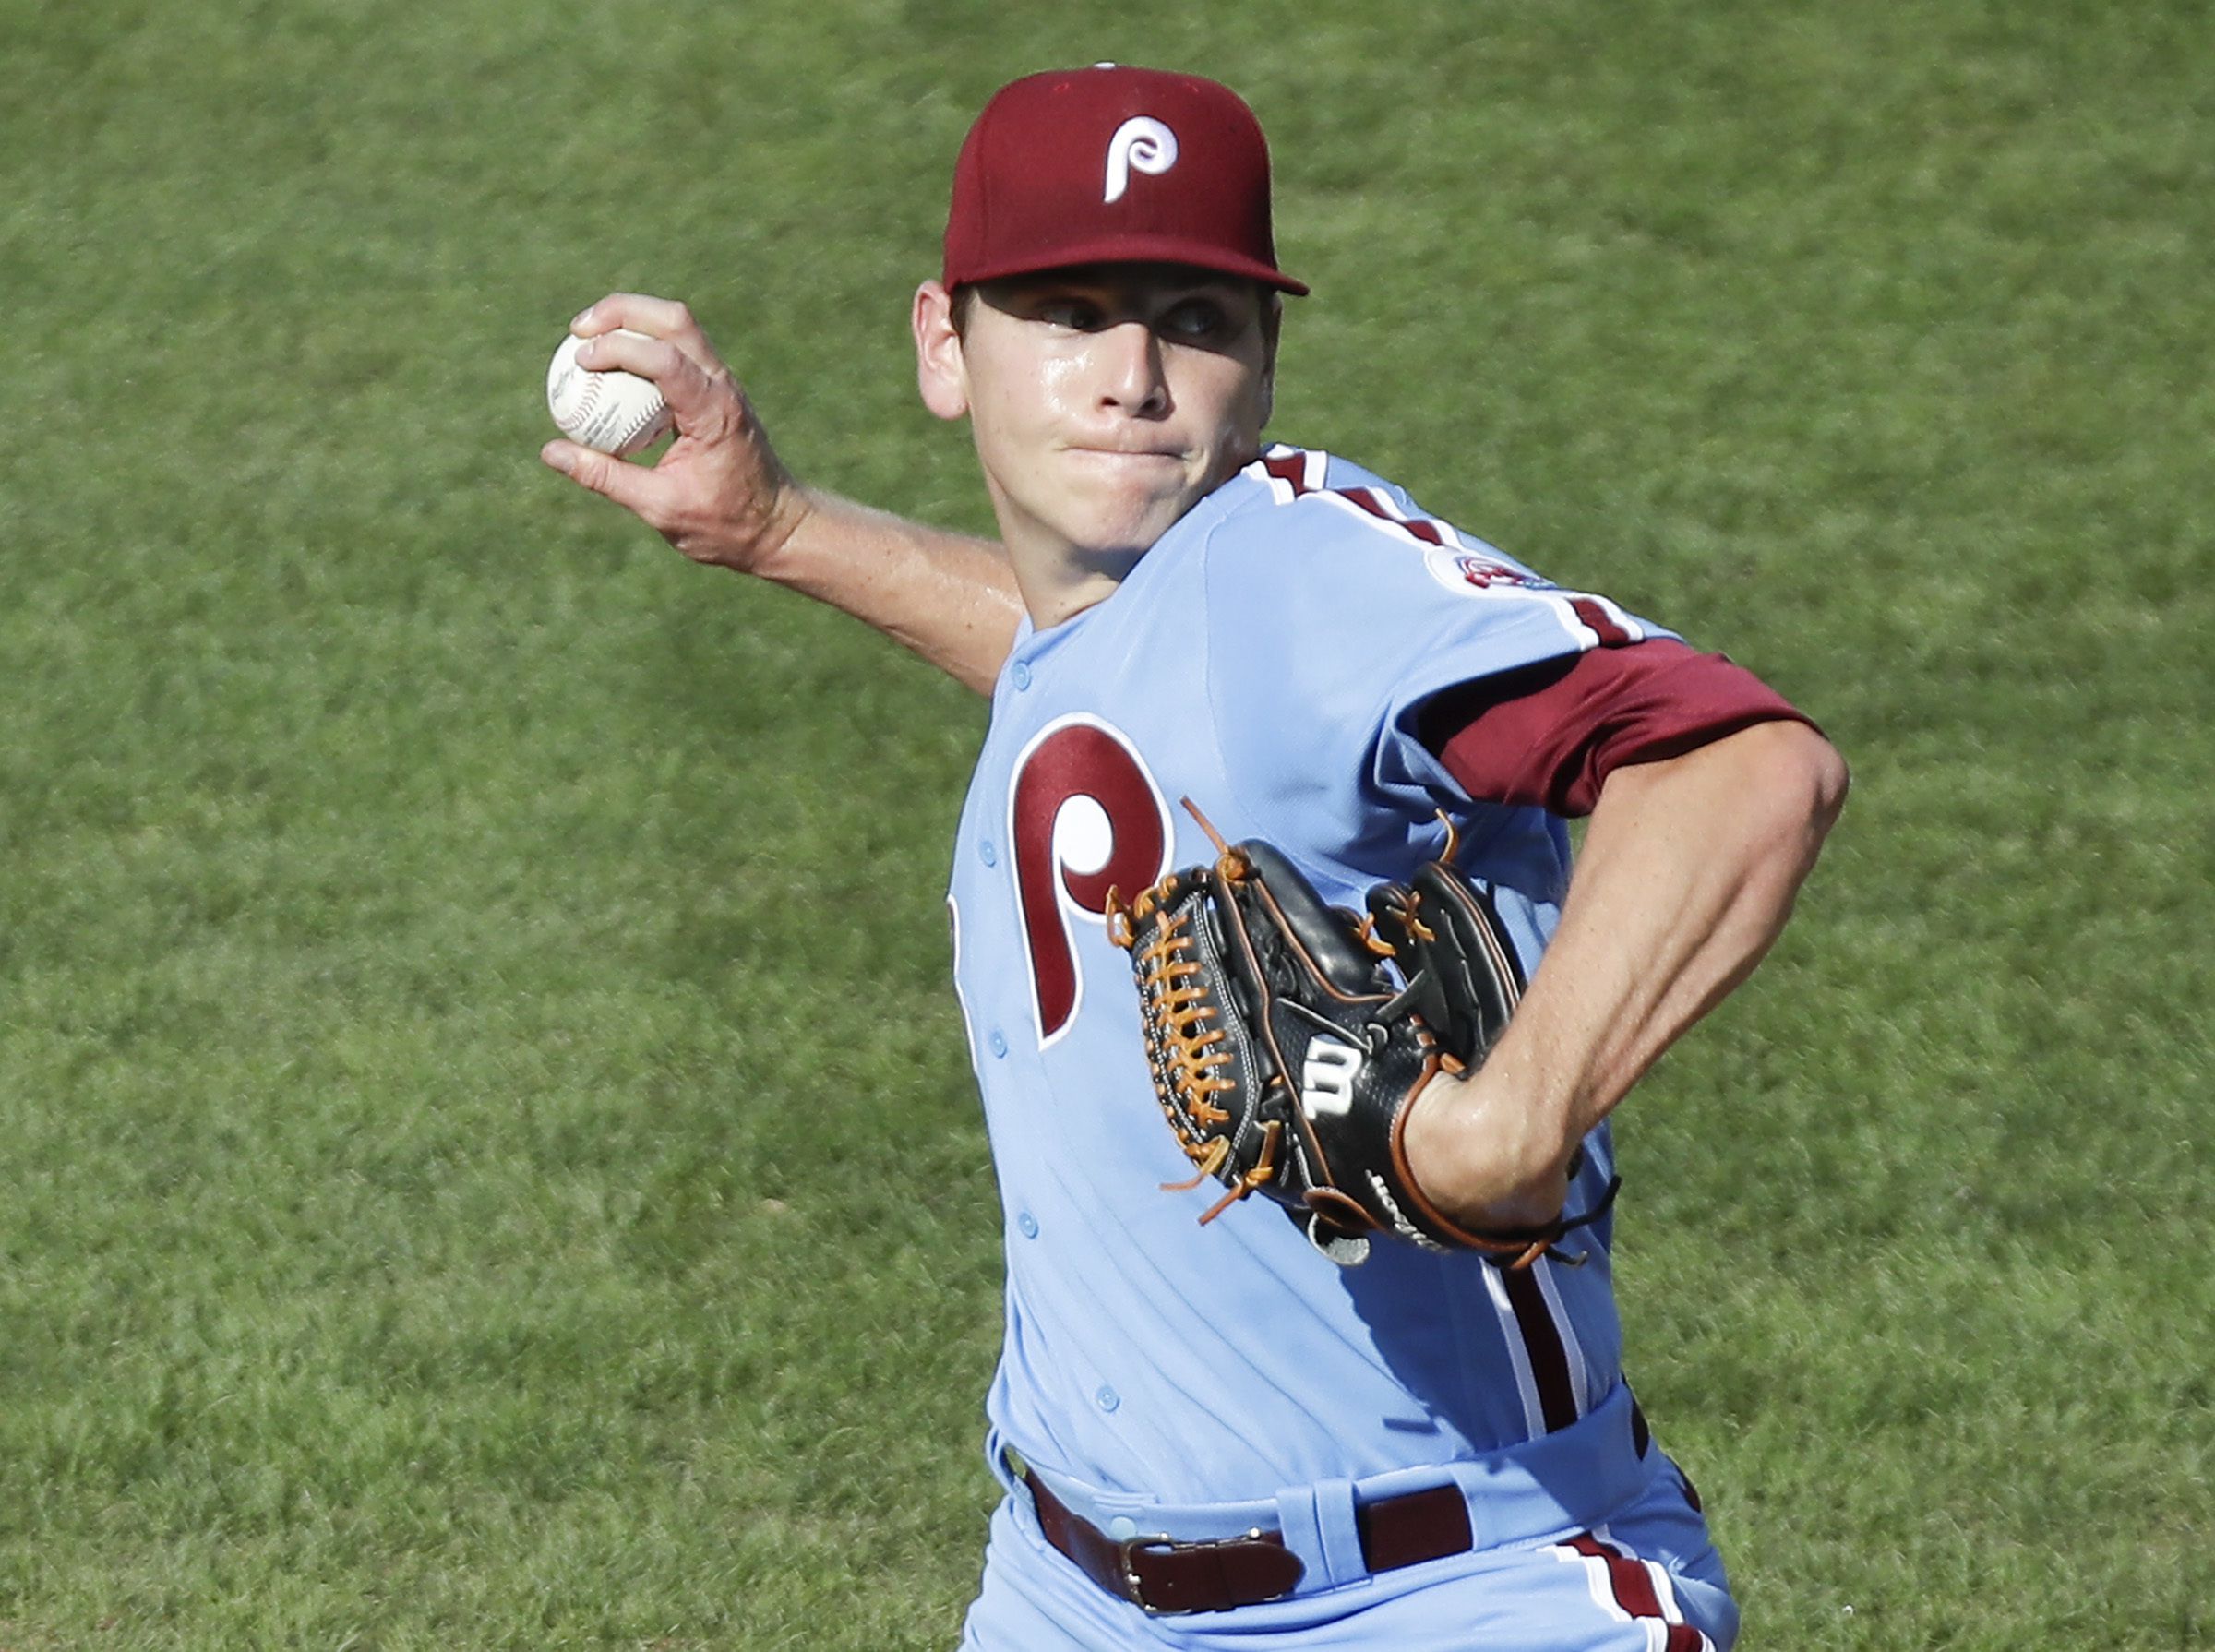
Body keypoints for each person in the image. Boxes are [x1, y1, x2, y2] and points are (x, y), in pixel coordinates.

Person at [542, 64, 1846, 1652]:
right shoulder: (1137, 621)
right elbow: (1104, 686)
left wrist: (1507, 1124)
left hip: (1460, 1591)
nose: (1134, 376)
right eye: (1069, 311)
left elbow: (1739, 760)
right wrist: (782, 530)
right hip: (1066, 1594)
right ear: (945, 347)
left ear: (1269, 359)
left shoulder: (1299, 556)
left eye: (1197, 318)